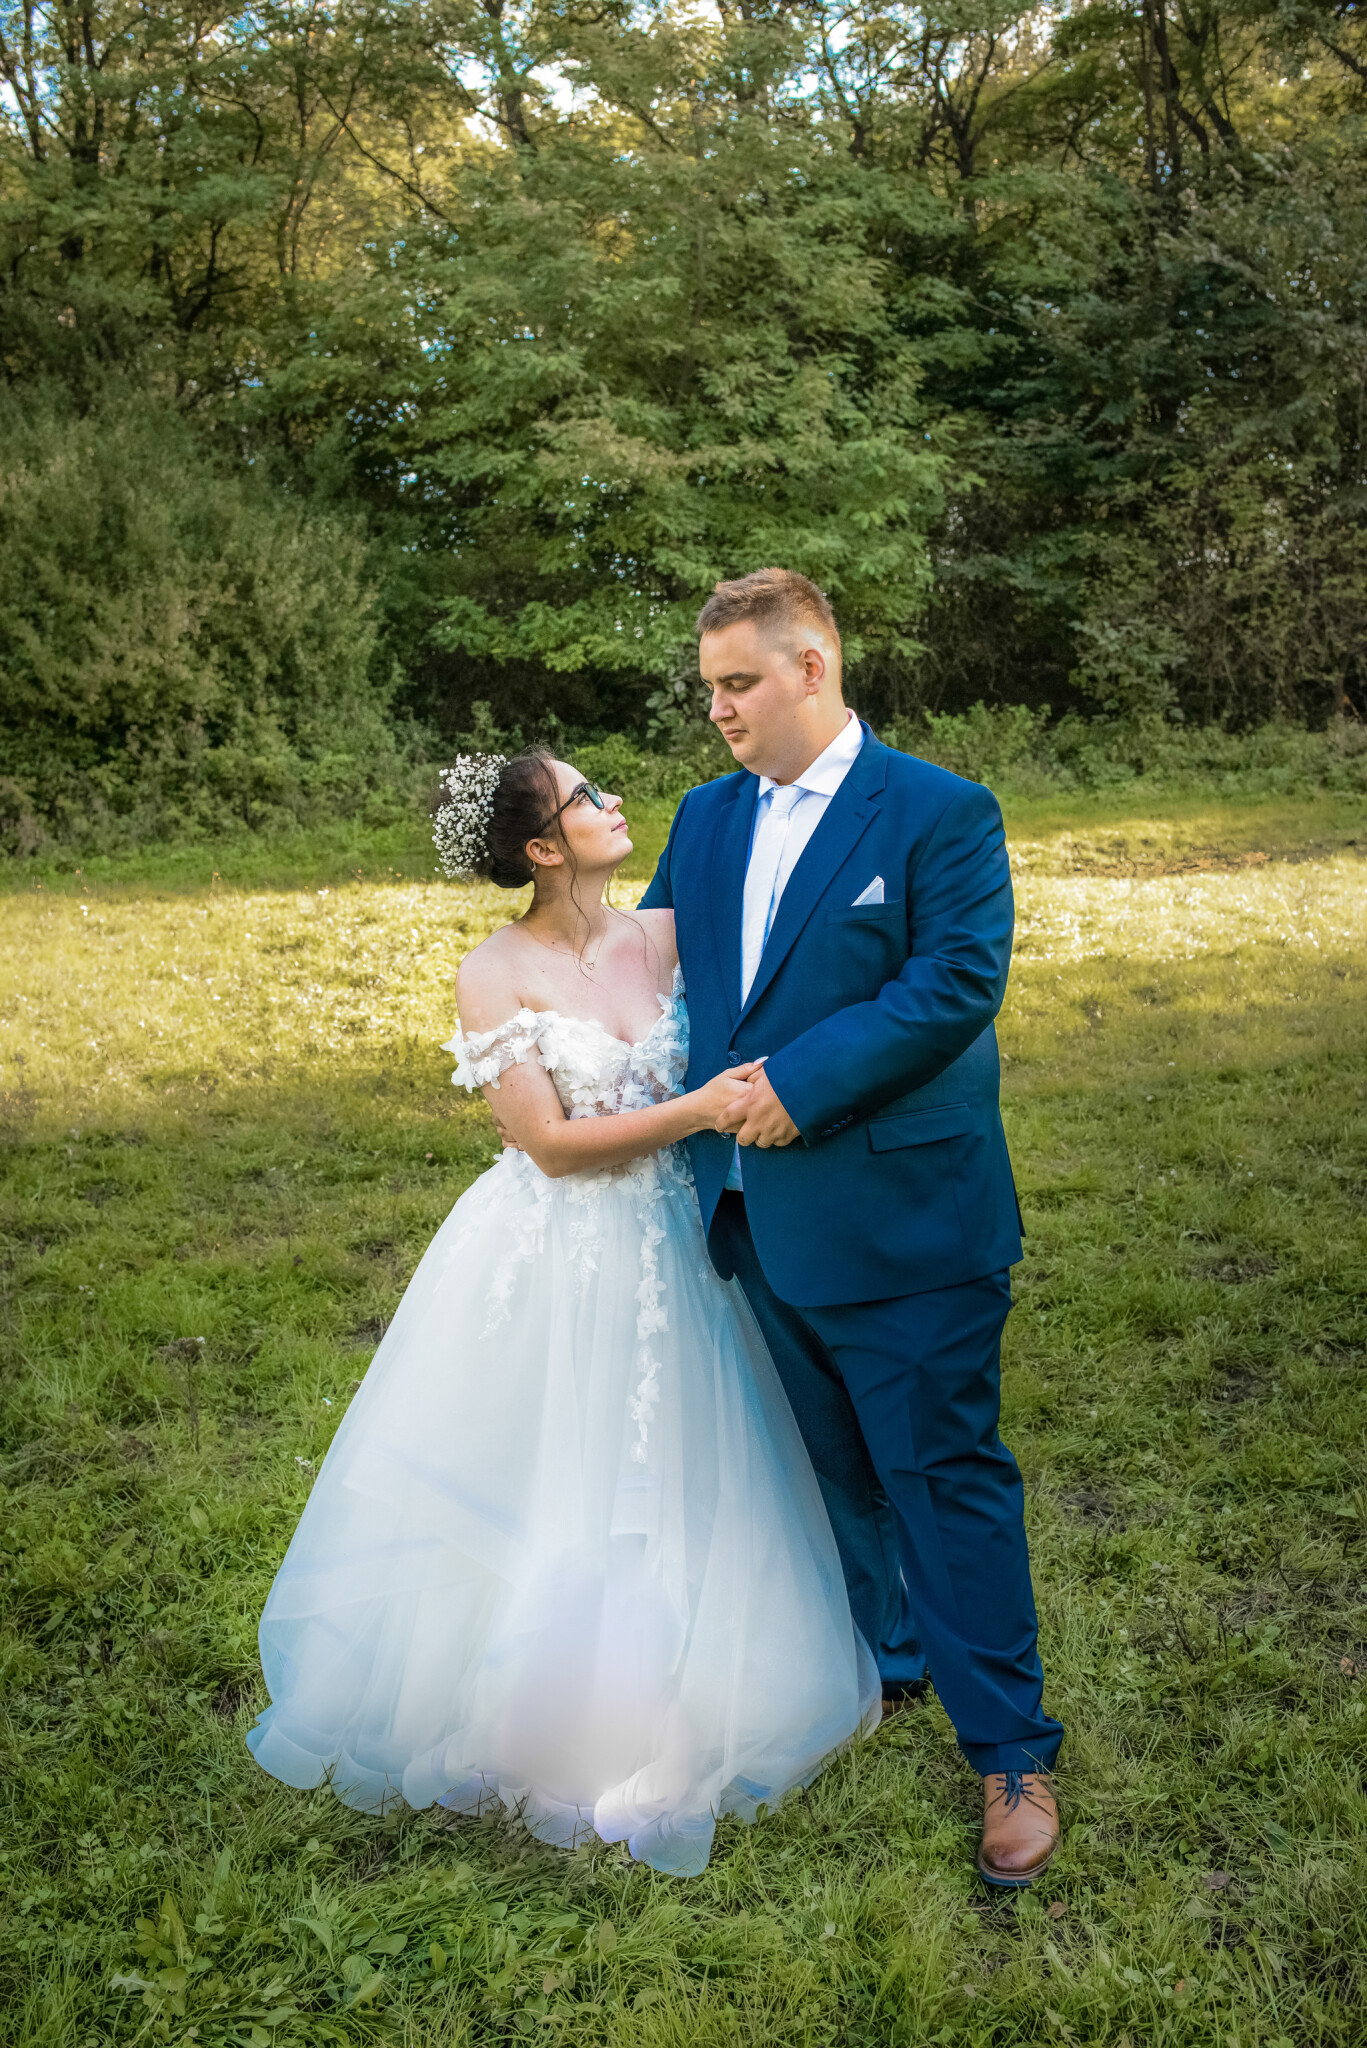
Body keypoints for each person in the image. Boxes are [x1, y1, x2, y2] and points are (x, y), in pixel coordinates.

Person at [246, 748, 879, 1877]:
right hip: (558, 1251)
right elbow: (546, 1143)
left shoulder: (662, 935)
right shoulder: (492, 972)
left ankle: (678, 1691)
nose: (613, 800)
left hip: (677, 1245)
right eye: (586, 797)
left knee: (682, 1458)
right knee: (562, 1466)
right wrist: (696, 1109)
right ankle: (537, 1707)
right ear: (543, 847)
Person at [638, 567, 1062, 1887]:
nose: (717, 709)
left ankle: (1008, 1752)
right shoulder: (704, 817)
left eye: (738, 683)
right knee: (825, 1468)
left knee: (938, 1473)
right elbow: (648, 968)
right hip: (746, 1212)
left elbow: (954, 981)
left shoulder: (938, 810)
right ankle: (884, 1659)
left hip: (902, 1219)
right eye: (709, 687)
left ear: (810, 666)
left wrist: (798, 1083)